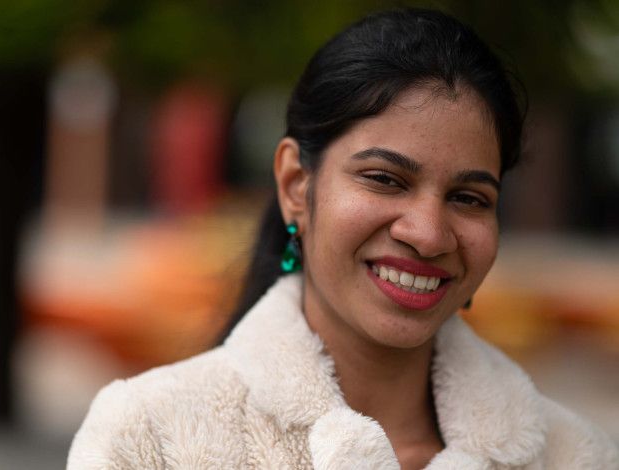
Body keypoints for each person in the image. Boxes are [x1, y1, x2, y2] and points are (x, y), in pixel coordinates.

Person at [68, 8, 619, 469]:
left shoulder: (573, 455)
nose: (428, 235)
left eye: (469, 198)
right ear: (295, 185)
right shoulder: (150, 438)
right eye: (385, 179)